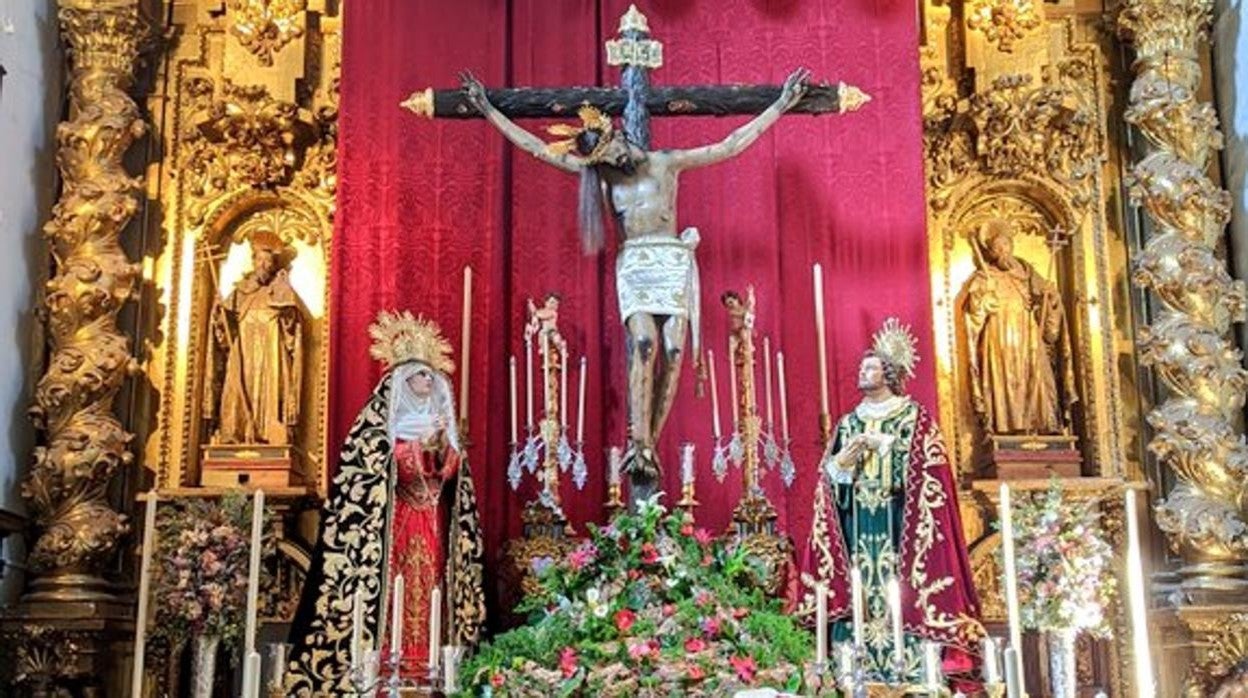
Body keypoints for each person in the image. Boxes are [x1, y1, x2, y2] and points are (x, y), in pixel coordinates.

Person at [460, 67, 809, 504]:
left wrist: (778, 106)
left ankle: (650, 444)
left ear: (621, 132)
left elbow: (729, 145)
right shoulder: (603, 179)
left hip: (671, 259)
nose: (621, 160)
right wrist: (489, 110)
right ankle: (638, 440)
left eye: (619, 150)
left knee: (675, 351)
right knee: (644, 342)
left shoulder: (666, 163)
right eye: (609, 159)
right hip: (637, 263)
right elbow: (536, 148)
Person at [285, 311, 485, 695]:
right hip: (394, 527)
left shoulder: (442, 424)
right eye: (420, 374)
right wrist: (412, 451)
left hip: (434, 524)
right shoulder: (377, 425)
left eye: (431, 374)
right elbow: (368, 472)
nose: (428, 380)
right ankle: (384, 673)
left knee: (432, 590)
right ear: (403, 380)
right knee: (396, 589)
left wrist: (445, 451)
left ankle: (434, 673)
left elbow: (455, 483)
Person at [804, 319, 982, 684]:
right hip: (857, 529)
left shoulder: (914, 417)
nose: (861, 372)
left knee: (901, 591)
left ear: (888, 372)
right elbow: (828, 483)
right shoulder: (849, 423)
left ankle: (915, 675)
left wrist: (889, 449)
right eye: (860, 366)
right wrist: (844, 461)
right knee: (859, 591)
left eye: (869, 366)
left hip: (901, 524)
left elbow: (931, 474)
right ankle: (853, 672)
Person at [964, 218, 1076, 435]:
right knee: (1004, 380)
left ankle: (1043, 427)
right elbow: (974, 314)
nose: (1002, 250)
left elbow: (1048, 307)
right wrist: (983, 297)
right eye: (997, 247)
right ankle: (1006, 429)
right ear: (990, 252)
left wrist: (1050, 299)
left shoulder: (1027, 273)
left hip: (1028, 332)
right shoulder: (984, 276)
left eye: (1006, 245)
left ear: (1012, 245)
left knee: (1038, 375)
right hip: (999, 335)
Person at [204, 232, 302, 445]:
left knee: (271, 392)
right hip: (244, 352)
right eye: (260, 259)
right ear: (253, 261)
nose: (265, 265)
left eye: (269, 260)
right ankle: (235, 433)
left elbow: (291, 327)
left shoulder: (280, 290)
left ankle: (269, 434)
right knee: (238, 390)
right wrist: (220, 314)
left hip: (271, 352)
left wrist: (287, 310)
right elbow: (223, 331)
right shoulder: (240, 292)